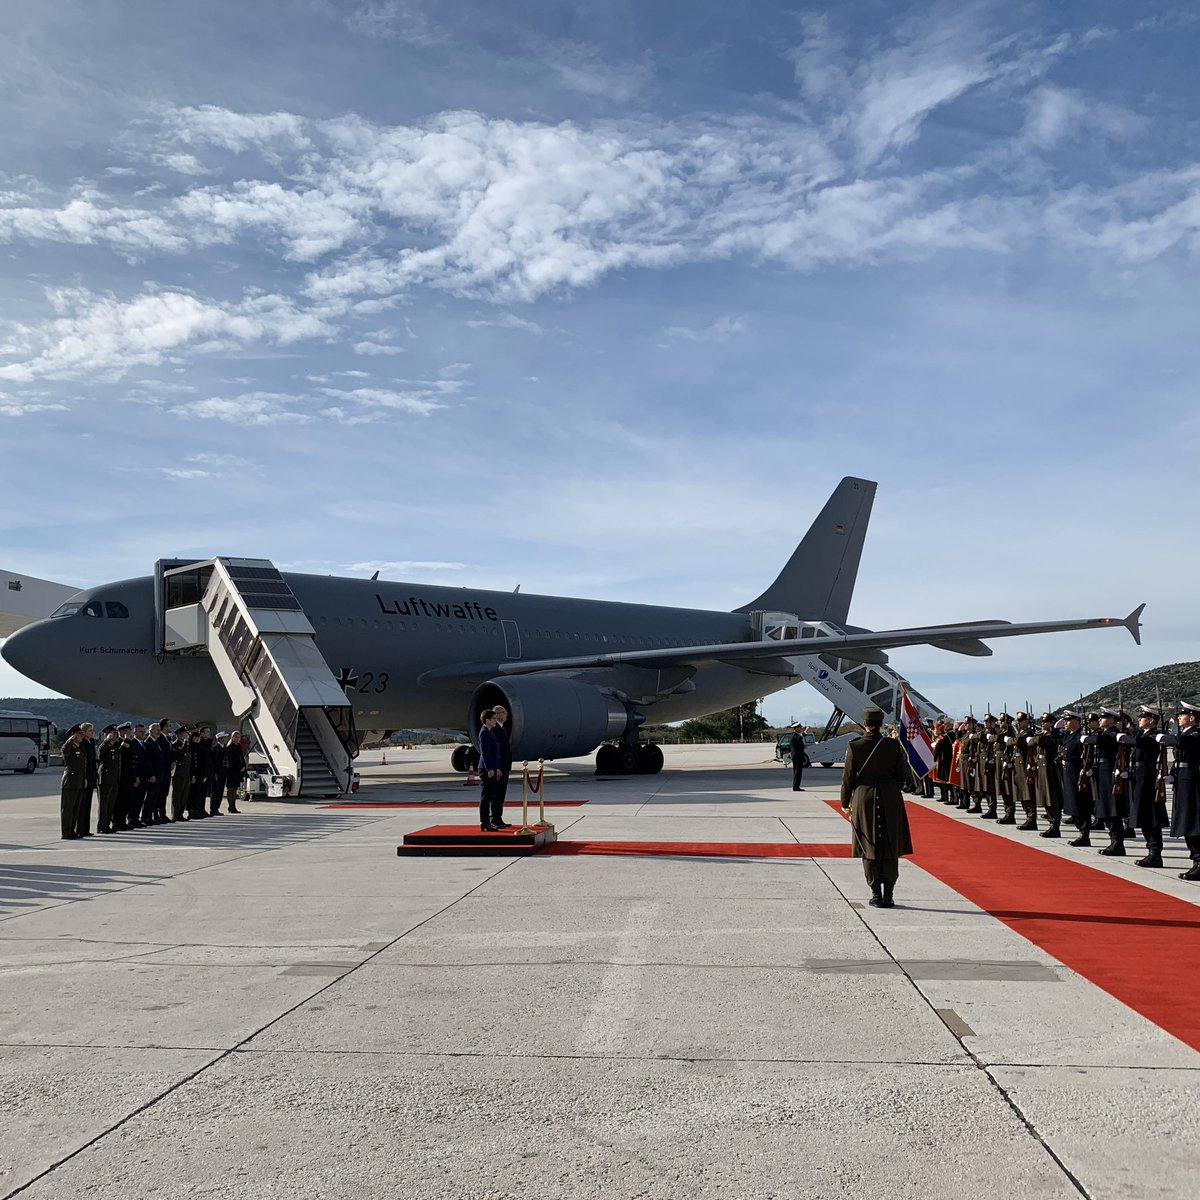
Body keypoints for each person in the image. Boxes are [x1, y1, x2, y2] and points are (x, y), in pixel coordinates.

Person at [840, 707, 912, 909]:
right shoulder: (893, 745)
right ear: (880, 724)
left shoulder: (855, 746)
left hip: (864, 796)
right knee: (890, 844)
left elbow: (848, 778)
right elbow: (901, 775)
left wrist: (845, 802)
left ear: (865, 724)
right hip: (890, 795)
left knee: (868, 845)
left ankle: (876, 894)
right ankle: (889, 894)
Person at [1129, 706, 1168, 868]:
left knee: (1150, 816)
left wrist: (1127, 736)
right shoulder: (1142, 734)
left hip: (1147, 777)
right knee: (1143, 815)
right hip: (1138, 777)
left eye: (1143, 717)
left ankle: (1155, 852)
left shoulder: (1154, 735)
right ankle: (1151, 850)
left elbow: (1142, 743)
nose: (1139, 719)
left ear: (1151, 720)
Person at [1171, 701, 1200, 882]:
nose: (1179, 718)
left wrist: (1173, 735)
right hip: (1182, 779)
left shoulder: (1196, 734)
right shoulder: (1186, 734)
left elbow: (1185, 743)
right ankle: (1196, 861)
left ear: (1192, 717)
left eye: (1182, 715)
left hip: (1192, 781)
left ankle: (1199, 861)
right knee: (1186, 821)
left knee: (1193, 821)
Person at [1032, 713, 1064, 838]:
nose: (1043, 724)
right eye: (1042, 722)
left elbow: (1039, 741)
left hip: (1050, 769)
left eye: (1046, 722)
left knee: (1052, 797)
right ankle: (1051, 823)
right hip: (1042, 768)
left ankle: (1055, 825)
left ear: (1052, 724)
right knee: (1046, 797)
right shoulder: (1044, 734)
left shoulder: (1053, 735)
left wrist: (1036, 738)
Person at [476, 709, 503, 832]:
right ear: (487, 720)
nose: (495, 721)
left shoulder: (490, 732)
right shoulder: (484, 733)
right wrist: (490, 768)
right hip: (486, 769)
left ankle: (487, 822)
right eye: (493, 718)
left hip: (492, 768)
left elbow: (495, 754)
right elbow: (485, 753)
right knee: (486, 796)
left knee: (489, 795)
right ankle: (485, 822)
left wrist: (497, 768)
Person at [60, 725, 88, 840]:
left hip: (79, 781)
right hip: (70, 782)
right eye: (79, 734)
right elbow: (64, 751)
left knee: (75, 809)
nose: (82, 736)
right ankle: (66, 832)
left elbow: (82, 766)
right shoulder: (69, 747)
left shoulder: (80, 748)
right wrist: (69, 740)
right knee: (68, 809)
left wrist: (84, 779)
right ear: (73, 735)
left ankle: (72, 830)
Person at [490, 705, 513, 827]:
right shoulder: (494, 729)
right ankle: (494, 818)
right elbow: (496, 751)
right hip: (499, 767)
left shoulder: (502, 728)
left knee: (501, 794)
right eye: (504, 712)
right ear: (497, 714)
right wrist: (497, 767)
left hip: (504, 766)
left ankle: (498, 818)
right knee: (496, 793)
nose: (506, 714)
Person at [96, 724, 121, 834]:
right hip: (105, 779)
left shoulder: (115, 747)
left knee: (111, 804)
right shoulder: (104, 746)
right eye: (112, 733)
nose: (114, 736)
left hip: (114, 779)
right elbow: (101, 752)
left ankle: (107, 824)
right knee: (104, 804)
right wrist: (107, 741)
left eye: (115, 733)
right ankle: (101, 826)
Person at [76, 722, 97, 837]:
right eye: (90, 731)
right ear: (83, 732)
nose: (92, 733)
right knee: (82, 805)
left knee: (88, 804)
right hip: (85, 776)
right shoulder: (82, 743)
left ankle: (86, 829)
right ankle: (80, 829)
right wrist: (84, 777)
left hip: (91, 776)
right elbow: (84, 763)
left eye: (92, 730)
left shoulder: (91, 742)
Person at [170, 726, 193, 822]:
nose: (187, 735)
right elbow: (179, 753)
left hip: (186, 773)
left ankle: (180, 813)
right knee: (177, 795)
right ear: (179, 734)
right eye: (185, 733)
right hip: (178, 773)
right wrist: (185, 742)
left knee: (184, 795)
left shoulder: (187, 745)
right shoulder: (175, 744)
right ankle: (175, 814)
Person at [222, 731, 245, 813]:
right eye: (235, 737)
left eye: (238, 737)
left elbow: (241, 757)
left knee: (235, 789)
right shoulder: (229, 747)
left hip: (238, 771)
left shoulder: (238, 746)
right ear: (232, 738)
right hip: (231, 771)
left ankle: (233, 806)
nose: (237, 739)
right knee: (230, 789)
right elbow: (231, 761)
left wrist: (243, 766)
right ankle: (230, 806)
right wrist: (238, 768)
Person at [209, 731, 229, 815]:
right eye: (224, 738)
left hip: (223, 773)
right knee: (215, 791)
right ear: (220, 739)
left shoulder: (223, 747)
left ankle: (216, 808)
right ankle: (213, 809)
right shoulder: (216, 748)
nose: (226, 739)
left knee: (220, 791)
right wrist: (215, 773)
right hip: (217, 773)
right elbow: (213, 762)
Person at [788, 723, 809, 791]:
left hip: (798, 756)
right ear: (796, 728)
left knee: (798, 772)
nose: (800, 729)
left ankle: (796, 786)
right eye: (799, 727)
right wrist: (805, 732)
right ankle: (796, 787)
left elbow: (798, 743)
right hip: (797, 757)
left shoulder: (796, 735)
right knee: (797, 772)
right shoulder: (795, 735)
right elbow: (799, 738)